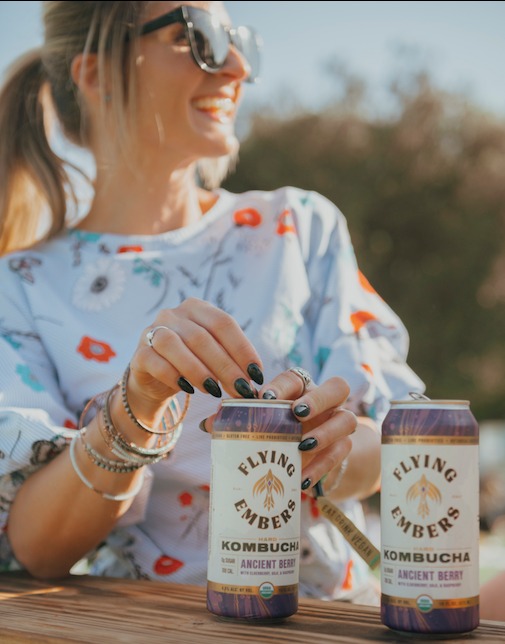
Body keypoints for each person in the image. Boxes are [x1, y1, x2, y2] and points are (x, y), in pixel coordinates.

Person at [0, 1, 424, 604]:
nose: (238, 69)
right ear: (95, 74)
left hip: (320, 622)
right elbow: (37, 549)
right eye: (197, 37)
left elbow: (385, 443)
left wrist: (329, 449)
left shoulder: (299, 228)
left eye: (238, 40)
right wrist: (132, 412)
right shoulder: (21, 283)